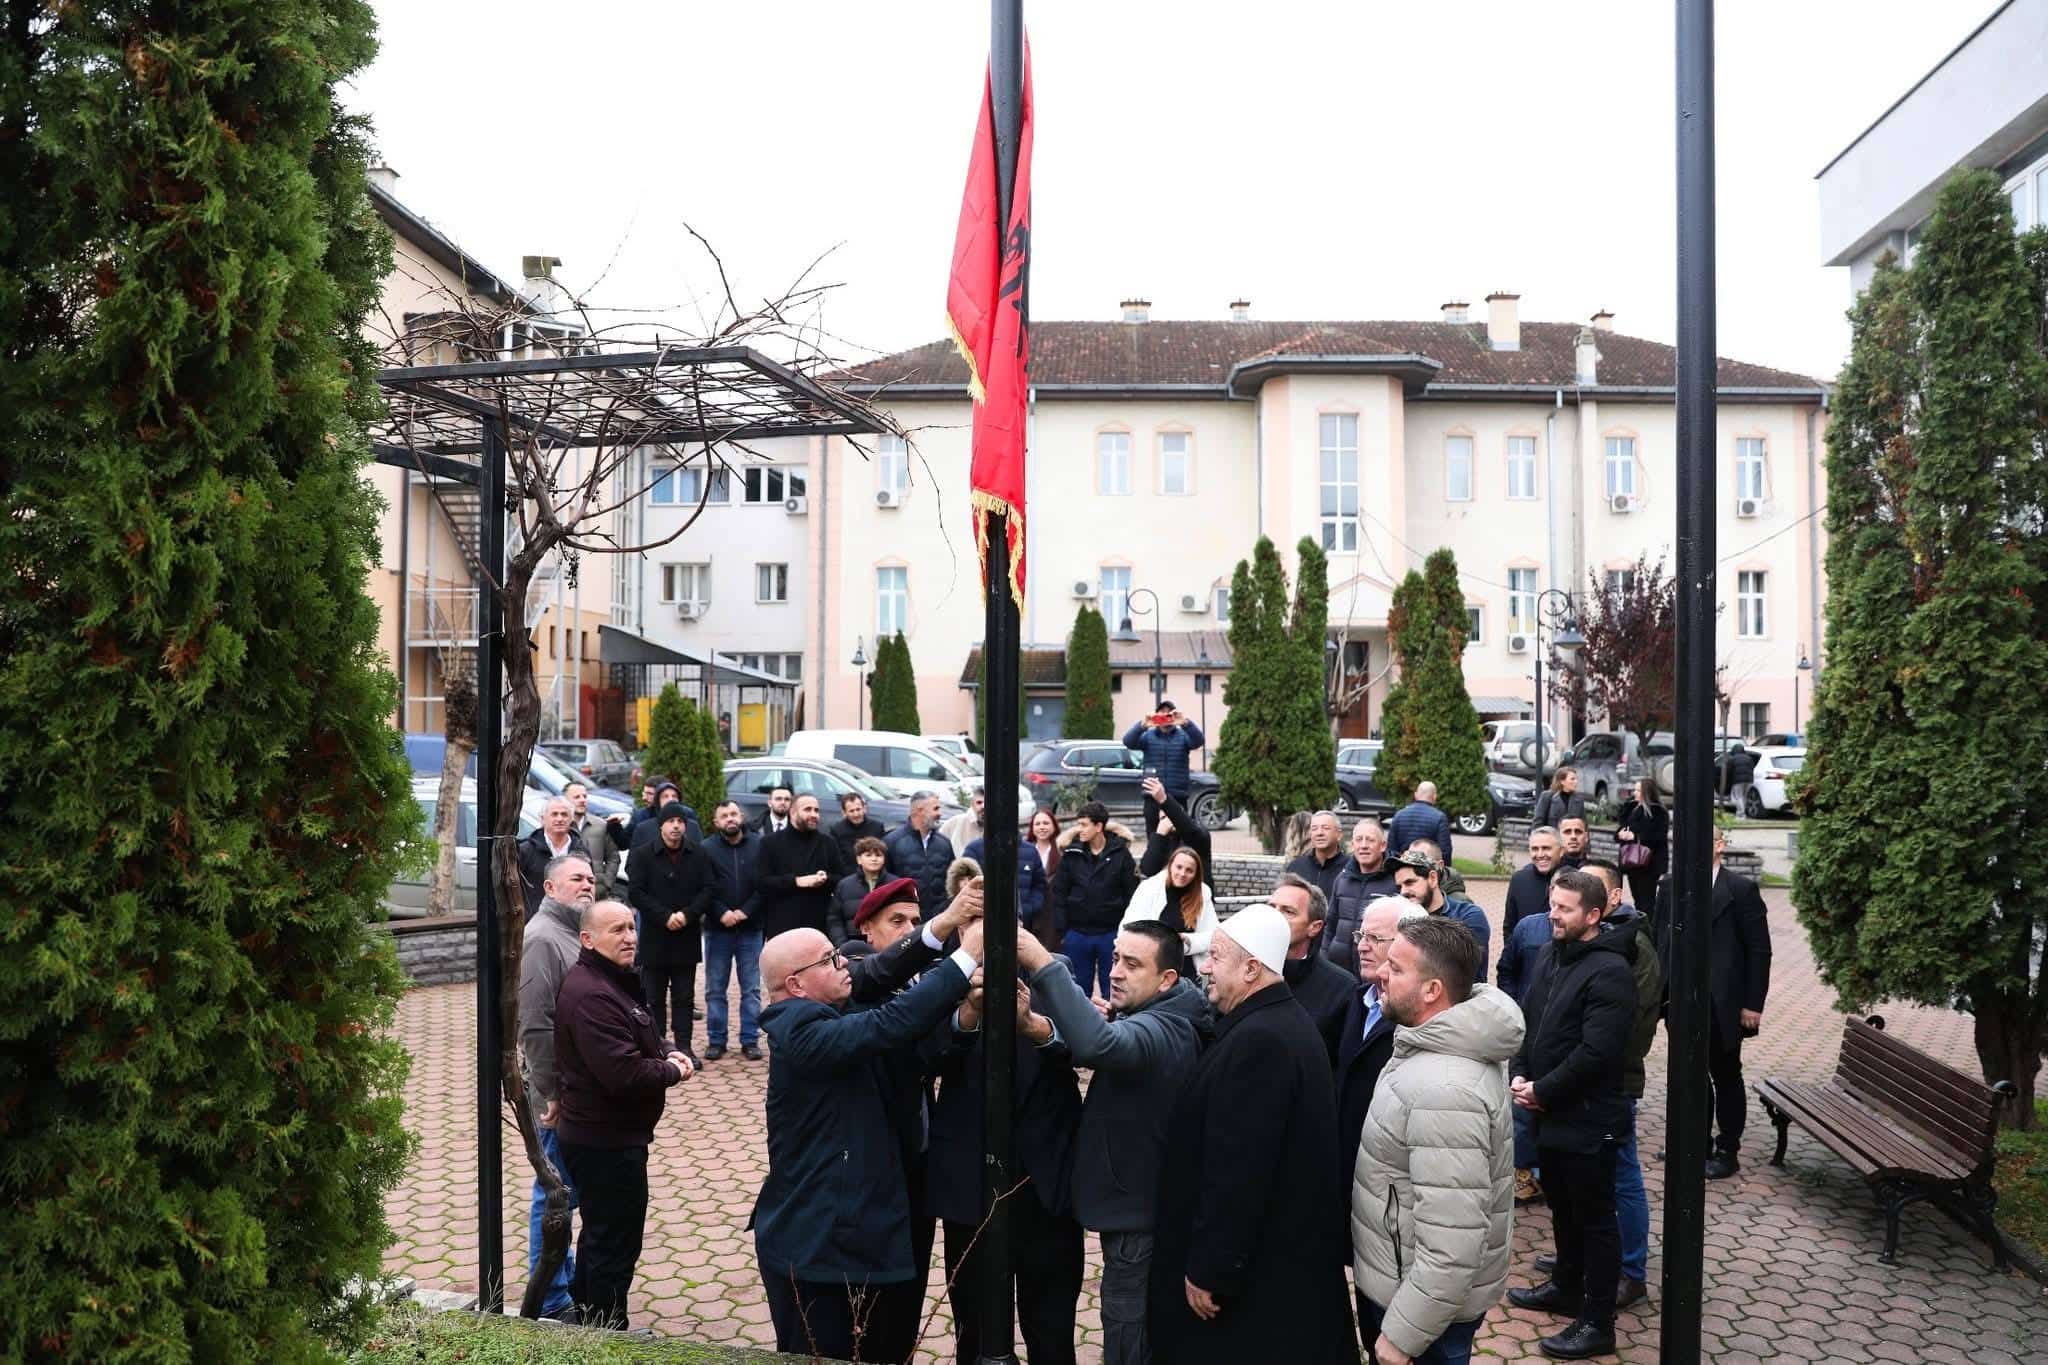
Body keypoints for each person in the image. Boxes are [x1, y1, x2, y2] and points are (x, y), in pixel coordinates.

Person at [750, 923, 984, 1362]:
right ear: (796, 985)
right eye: (828, 959)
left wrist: (966, 1015)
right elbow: (891, 1023)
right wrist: (965, 956)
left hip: (862, 1237)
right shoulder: (798, 1029)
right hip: (818, 1252)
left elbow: (907, 1053)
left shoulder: (836, 1012)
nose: (843, 963)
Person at [1148, 905, 1355, 1365]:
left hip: (1256, 1280)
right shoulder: (1272, 1022)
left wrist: (1211, 1267)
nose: (1205, 967)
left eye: (1216, 957)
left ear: (1251, 969)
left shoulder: (1262, 1041)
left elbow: (1239, 1170)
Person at [1019, 919, 1211, 1365]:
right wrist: (1036, 1028)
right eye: (1116, 958)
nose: (1116, 972)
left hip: (1136, 1225)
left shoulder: (1167, 1029)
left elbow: (1099, 1045)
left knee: (1127, 1335)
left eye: (1132, 964)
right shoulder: (1162, 1010)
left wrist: (1042, 963)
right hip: (1132, 1213)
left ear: (1167, 979)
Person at [1352, 916, 1524, 1365]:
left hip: (1422, 1314)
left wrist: (1402, 1336)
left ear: (1432, 990)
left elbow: (1453, 1242)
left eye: (1396, 967)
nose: (1380, 973)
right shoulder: (1434, 1043)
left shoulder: (1444, 1092)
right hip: (1411, 1292)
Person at [928, 931, 1085, 1365]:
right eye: (973, 923)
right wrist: (967, 1015)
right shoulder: (945, 981)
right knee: (975, 1331)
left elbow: (1084, 1045)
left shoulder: (1053, 972)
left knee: (1052, 1330)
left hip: (1047, 1184)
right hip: (971, 1188)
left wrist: (1034, 1026)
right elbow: (928, 1056)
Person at [1506, 866, 1636, 1361]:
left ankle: (1598, 1322)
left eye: (1564, 909)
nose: (1553, 915)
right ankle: (1565, 1286)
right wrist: (1520, 1072)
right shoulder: (1549, 954)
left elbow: (1597, 1052)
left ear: (1594, 915)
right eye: (1552, 905)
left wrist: (1544, 1090)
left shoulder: (1611, 970)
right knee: (1561, 1204)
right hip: (1548, 1111)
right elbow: (1530, 1021)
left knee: (1595, 1219)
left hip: (1588, 1117)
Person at [553, 899, 695, 1329]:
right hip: (604, 1141)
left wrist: (667, 1050)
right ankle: (607, 1332)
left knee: (602, 1236)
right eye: (617, 930)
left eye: (632, 928)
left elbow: (640, 1032)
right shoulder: (592, 993)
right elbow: (623, 1072)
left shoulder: (614, 979)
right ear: (587, 939)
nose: (630, 937)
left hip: (612, 1136)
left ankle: (587, 1319)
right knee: (614, 1245)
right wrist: (673, 1070)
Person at [1658, 827, 1772, 1179]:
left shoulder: (1740, 889)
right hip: (1680, 1000)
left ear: (1719, 846)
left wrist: (1753, 1004)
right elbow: (1660, 940)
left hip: (1722, 1003)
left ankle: (1727, 1149)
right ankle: (1696, 1143)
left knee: (1725, 1074)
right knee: (1689, 1074)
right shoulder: (1670, 885)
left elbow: (1759, 951)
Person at [518, 853, 598, 1320]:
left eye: (591, 878)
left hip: (579, 1090)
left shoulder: (573, 933)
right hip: (557, 1097)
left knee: (566, 1193)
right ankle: (549, 1300)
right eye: (576, 879)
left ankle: (560, 1281)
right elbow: (533, 1023)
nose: (587, 885)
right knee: (554, 1193)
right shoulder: (542, 938)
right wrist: (551, 1093)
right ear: (549, 888)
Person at [1579, 859, 1660, 1310]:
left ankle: (1632, 1273)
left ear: (1613, 897)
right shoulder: (1594, 937)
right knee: (1585, 1173)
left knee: (1621, 1174)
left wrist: (1592, 1062)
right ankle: (1585, 1257)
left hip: (1614, 1082)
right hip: (1583, 1078)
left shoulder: (1636, 947)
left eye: (1593, 886)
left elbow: (1633, 1025)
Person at [1335, 896, 1424, 1194]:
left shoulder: (1420, 1018)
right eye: (1361, 935)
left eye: (1375, 938)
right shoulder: (1355, 1001)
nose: (1362, 946)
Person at [626, 801, 712, 1062]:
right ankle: (657, 1046)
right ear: (660, 825)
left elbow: (708, 889)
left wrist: (687, 914)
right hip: (655, 936)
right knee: (653, 997)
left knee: (684, 997)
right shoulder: (643, 854)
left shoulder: (698, 854)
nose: (676, 826)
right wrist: (665, 916)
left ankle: (684, 1047)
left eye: (680, 821)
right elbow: (636, 892)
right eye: (670, 821)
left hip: (686, 935)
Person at [1047, 801, 1141, 1000]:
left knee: (1114, 987)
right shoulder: (1072, 854)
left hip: (1111, 933)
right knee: (1077, 990)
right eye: (1078, 824)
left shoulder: (1121, 854)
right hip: (1077, 934)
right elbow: (1059, 892)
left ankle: (1113, 1020)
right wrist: (1063, 930)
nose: (1079, 829)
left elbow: (1132, 893)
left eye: (1084, 824)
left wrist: (1127, 930)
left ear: (1098, 826)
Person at [699, 800, 765, 1062]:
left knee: (751, 989)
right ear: (716, 822)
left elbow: (764, 884)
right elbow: (703, 886)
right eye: (724, 815)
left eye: (734, 814)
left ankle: (750, 1040)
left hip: (751, 927)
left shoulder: (759, 845)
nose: (730, 818)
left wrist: (746, 911)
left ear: (741, 817)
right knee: (715, 989)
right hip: (718, 929)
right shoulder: (707, 848)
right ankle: (717, 1040)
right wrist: (721, 912)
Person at [1270, 872, 1355, 1068]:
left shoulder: (1341, 989)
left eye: (1288, 911)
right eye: (1271, 907)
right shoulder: (1241, 969)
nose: (1274, 916)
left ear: (1314, 927)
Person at [1389, 848, 1492, 981]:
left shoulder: (1467, 916)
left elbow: (1458, 971)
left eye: (1410, 882)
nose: (1403, 892)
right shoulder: (1399, 918)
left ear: (1432, 878)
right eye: (1399, 887)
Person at [754, 793, 846, 941]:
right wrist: (796, 881)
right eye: (807, 809)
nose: (814, 814)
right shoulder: (770, 843)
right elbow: (762, 882)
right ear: (792, 812)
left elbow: (841, 879)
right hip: (782, 925)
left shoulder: (828, 843)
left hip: (819, 927)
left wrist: (825, 879)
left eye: (816, 810)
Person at [1122, 845, 1219, 977]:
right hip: (1153, 970)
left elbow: (1213, 935)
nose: (1182, 874)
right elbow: (1129, 927)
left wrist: (1188, 941)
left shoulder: (1202, 893)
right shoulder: (1149, 888)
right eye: (1179, 867)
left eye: (1189, 870)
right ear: (1170, 866)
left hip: (1188, 971)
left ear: (1196, 874)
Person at [1323, 817, 1398, 976]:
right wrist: (1323, 957)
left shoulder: (1395, 881)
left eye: (1370, 840)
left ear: (1382, 845)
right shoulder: (1342, 879)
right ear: (1352, 845)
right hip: (1338, 970)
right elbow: (1330, 925)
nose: (1363, 845)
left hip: (1376, 972)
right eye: (1359, 840)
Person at [1123, 701, 1205, 833]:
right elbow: (1128, 742)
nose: (1166, 715)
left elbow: (1199, 741)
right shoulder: (1148, 736)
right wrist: (1142, 725)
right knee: (1154, 836)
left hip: (1177, 797)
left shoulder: (1183, 736)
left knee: (1179, 836)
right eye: (1162, 712)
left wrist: (1185, 723)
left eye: (1169, 713)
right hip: (1152, 797)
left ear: (1174, 716)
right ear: (1156, 715)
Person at [962, 828, 1049, 941]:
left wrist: (1028, 908)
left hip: (1023, 927)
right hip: (983, 927)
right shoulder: (974, 849)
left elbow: (1039, 884)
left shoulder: (1030, 851)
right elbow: (965, 886)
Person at [884, 791, 956, 917]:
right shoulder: (892, 842)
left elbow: (952, 880)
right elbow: (885, 882)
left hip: (939, 918)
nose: (940, 813)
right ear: (920, 810)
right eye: (935, 809)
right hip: (907, 918)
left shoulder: (944, 843)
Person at [1135, 775, 1214, 888]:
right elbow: (1148, 869)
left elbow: (1191, 831)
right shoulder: (1161, 839)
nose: (1168, 822)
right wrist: (1159, 835)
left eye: (1171, 817)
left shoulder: (1198, 835)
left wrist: (1164, 800)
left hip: (1195, 894)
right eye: (1164, 818)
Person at [1502, 826, 1565, 957]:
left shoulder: (1574, 878)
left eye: (1546, 848)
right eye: (1535, 849)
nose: (1540, 854)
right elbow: (1510, 927)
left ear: (1561, 851)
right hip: (1527, 958)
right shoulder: (1519, 879)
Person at [1612, 780, 1668, 915]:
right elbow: (1622, 828)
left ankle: (1647, 925)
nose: (1634, 793)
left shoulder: (1657, 812)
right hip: (1631, 862)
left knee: (1647, 901)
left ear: (1647, 793)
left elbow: (1659, 836)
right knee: (1637, 898)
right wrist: (1620, 834)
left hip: (1648, 863)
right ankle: (1640, 923)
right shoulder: (1631, 808)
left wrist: (1636, 836)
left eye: (1638, 790)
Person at [519, 797, 579, 913]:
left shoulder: (580, 850)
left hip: (572, 917)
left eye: (564, 814)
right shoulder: (526, 850)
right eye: (554, 814)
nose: (559, 819)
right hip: (535, 917)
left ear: (571, 819)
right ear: (543, 819)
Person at [829, 836, 890, 946]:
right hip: (854, 946)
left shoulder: (895, 883)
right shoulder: (844, 885)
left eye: (878, 855)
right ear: (859, 859)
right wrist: (842, 944)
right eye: (868, 855)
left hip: (888, 944)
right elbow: (834, 919)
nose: (874, 859)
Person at [1285, 809, 1347, 906]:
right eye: (1314, 829)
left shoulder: (1351, 868)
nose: (1319, 833)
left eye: (1326, 828)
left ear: (1339, 835)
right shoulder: (1295, 867)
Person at [1387, 780, 1457, 866]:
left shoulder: (1399, 815)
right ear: (1435, 797)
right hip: (1427, 868)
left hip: (1403, 867)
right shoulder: (1439, 818)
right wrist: (1445, 869)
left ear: (1415, 795)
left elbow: (1391, 849)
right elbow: (1445, 851)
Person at [1026, 808, 1066, 953]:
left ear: (1054, 826)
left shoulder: (1062, 853)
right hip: (1030, 915)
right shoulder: (1024, 852)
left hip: (1053, 917)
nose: (1042, 827)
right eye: (1037, 824)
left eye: (1046, 823)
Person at [828, 789, 890, 867]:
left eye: (858, 809)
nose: (856, 814)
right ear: (844, 813)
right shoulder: (836, 830)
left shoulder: (877, 827)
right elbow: (836, 859)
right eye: (851, 811)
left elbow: (882, 855)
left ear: (864, 809)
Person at [1533, 767, 1586, 831]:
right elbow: (1538, 823)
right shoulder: (1547, 796)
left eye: (1576, 779)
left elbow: (1584, 825)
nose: (1576, 782)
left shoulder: (1579, 799)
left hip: (1571, 836)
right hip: (1552, 836)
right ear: (1562, 781)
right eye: (1572, 779)